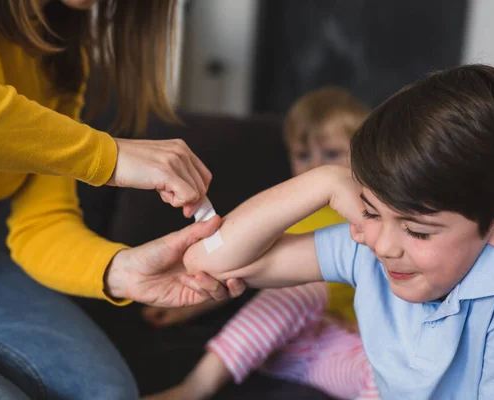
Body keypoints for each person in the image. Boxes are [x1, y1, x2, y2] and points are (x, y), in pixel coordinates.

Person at [182, 65, 494, 398]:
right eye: (371, 212)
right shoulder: (369, 241)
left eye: (419, 232)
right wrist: (321, 183)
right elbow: (209, 260)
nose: (384, 247)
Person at [0, 0, 242, 398]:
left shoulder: (58, 50)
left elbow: (39, 223)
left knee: (108, 392)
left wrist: (121, 270)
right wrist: (107, 156)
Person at [143, 87, 379, 400]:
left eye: (332, 154)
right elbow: (236, 270)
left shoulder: (369, 217)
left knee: (391, 371)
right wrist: (188, 306)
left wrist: (369, 331)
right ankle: (194, 387)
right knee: (302, 289)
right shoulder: (287, 212)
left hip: (335, 346)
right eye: (303, 155)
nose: (316, 167)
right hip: (275, 336)